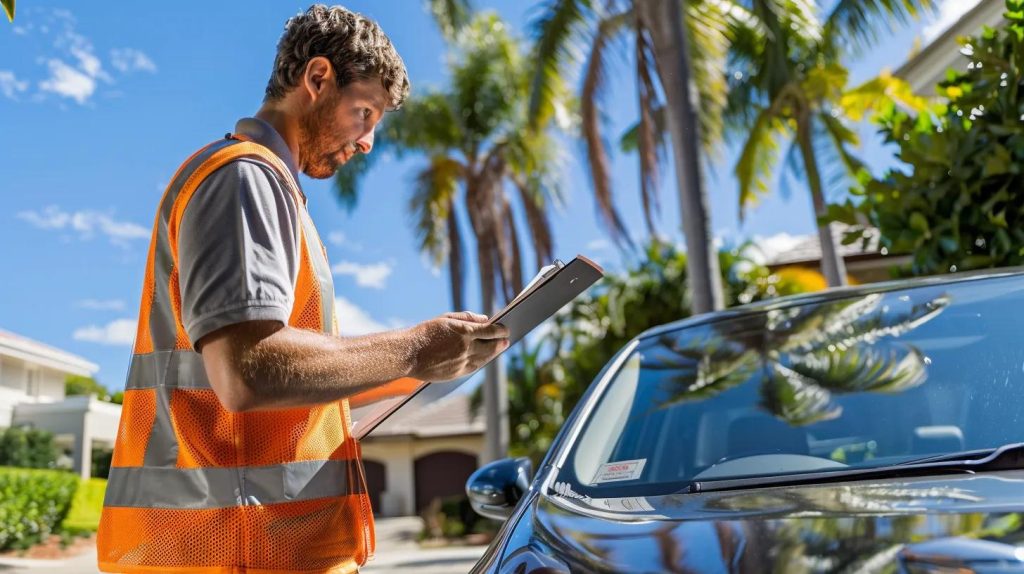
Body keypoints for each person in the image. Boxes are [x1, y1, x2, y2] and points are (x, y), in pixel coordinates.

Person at [96, 5, 509, 573]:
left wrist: (433, 362)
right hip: (235, 549)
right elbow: (248, 372)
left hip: (246, 547)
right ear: (317, 80)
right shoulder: (246, 178)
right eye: (364, 112)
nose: (367, 142)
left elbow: (289, 383)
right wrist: (413, 347)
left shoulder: (272, 190)